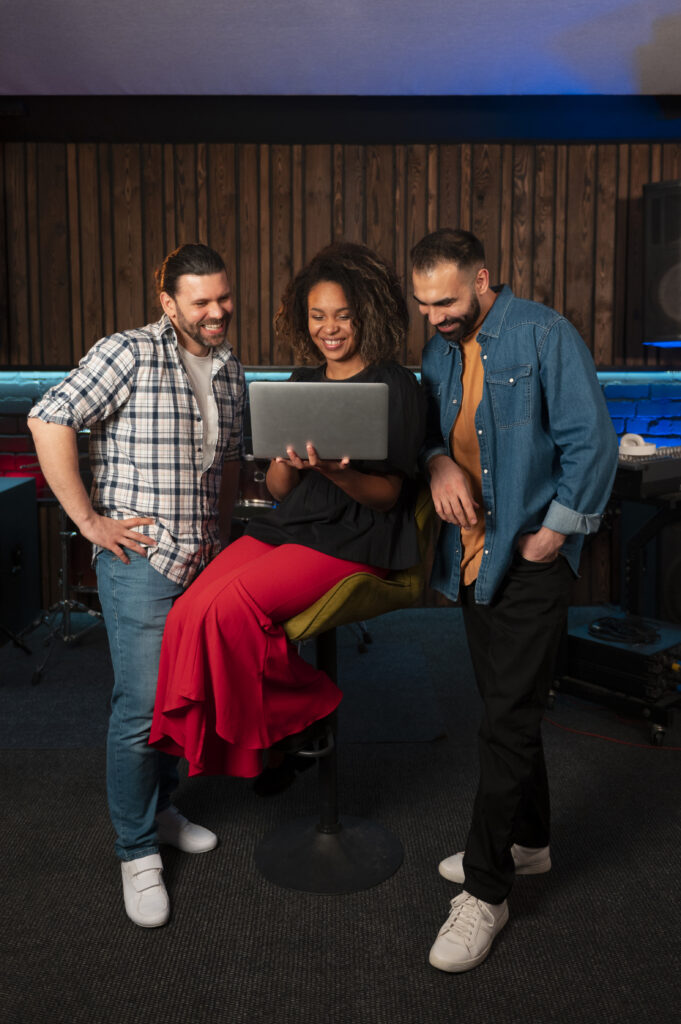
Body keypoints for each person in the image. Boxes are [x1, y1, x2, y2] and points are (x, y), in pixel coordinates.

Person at [412, 229, 618, 973]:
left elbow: (590, 443)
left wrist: (552, 535)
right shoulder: (438, 350)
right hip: (472, 561)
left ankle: (486, 890)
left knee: (503, 722)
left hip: (530, 557)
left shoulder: (541, 332)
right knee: (508, 707)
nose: (435, 315)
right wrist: (437, 461)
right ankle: (529, 846)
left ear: (483, 279)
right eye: (424, 304)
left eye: (447, 300)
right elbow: (429, 433)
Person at [149, 242, 426, 788]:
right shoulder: (301, 385)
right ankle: (274, 742)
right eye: (319, 316)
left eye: (343, 316)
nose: (331, 329)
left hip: (356, 535)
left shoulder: (396, 384)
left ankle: (308, 711)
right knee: (189, 610)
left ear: (365, 315)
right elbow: (279, 489)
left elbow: (388, 496)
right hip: (292, 524)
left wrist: (337, 471)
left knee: (233, 610)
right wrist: (287, 461)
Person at [27, 244, 246, 929]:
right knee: (140, 707)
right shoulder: (127, 352)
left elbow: (230, 461)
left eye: (222, 297)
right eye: (201, 301)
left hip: (203, 558)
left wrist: (228, 532)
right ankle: (136, 849)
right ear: (168, 303)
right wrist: (88, 520)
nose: (216, 311)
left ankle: (165, 809)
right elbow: (48, 416)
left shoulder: (231, 366)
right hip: (142, 564)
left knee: (183, 695)